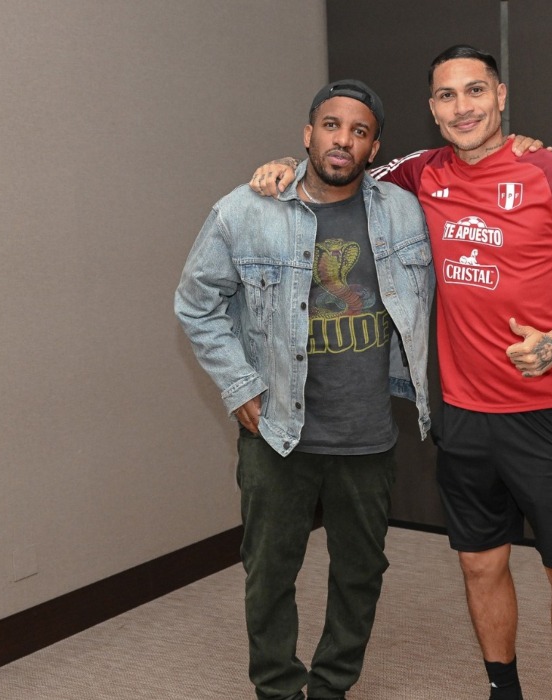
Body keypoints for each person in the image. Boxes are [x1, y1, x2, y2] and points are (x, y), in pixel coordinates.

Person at [250, 46, 552, 700]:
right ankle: (502, 689)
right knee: (481, 566)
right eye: (447, 97)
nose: (463, 108)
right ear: (432, 109)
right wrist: (288, 165)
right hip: (462, 415)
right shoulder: (419, 173)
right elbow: (341, 169)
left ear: (501, 96)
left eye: (475, 92)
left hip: (547, 411)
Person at [175, 79, 436, 700]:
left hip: (366, 430)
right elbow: (196, 303)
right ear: (307, 134)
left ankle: (332, 685)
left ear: (375, 147)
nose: (342, 140)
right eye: (331, 125)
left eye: (359, 131)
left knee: (361, 570)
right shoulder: (244, 210)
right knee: (269, 570)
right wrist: (238, 384)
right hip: (277, 429)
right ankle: (275, 686)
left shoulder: (405, 212)